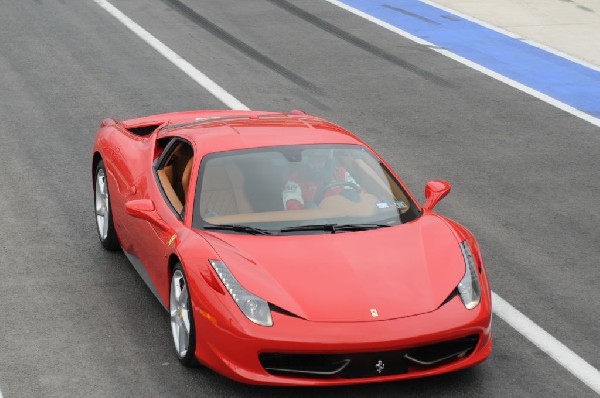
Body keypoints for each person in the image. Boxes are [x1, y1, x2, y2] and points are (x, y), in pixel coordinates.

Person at [282, 149, 360, 210]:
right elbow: (293, 207)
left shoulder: (340, 173)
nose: (316, 166)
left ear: (327, 162)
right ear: (306, 162)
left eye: (320, 162)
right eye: (312, 162)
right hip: (314, 224)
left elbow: (360, 193)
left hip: (344, 220)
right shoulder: (294, 180)